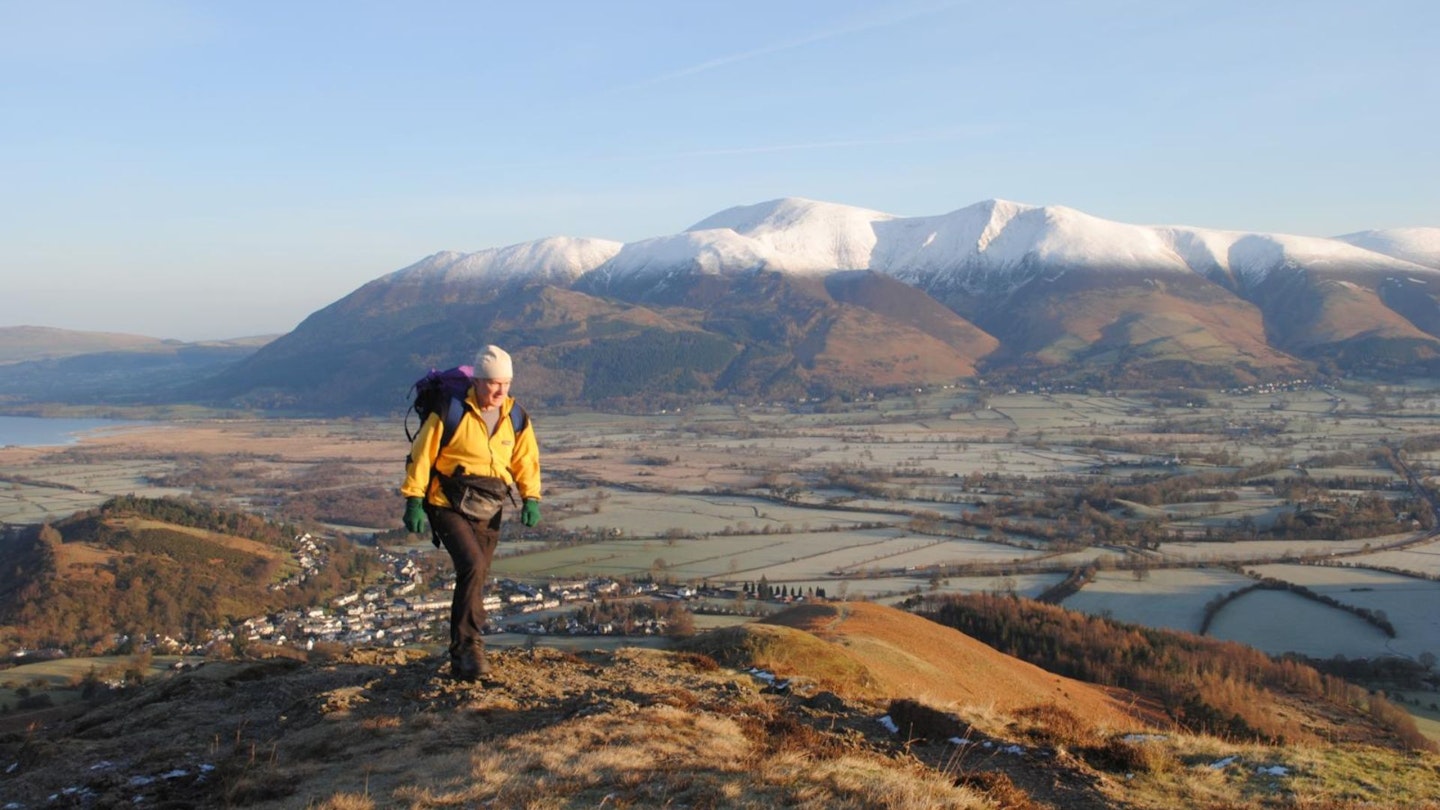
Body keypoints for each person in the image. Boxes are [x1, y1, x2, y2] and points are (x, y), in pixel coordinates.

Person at [400, 344, 541, 681]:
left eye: (506, 384)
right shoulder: (450, 412)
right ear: (477, 381)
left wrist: (530, 498)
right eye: (493, 383)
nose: (500, 390)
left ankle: (464, 649)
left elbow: (526, 459)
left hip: (488, 506)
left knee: (477, 577)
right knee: (473, 566)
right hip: (446, 503)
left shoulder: (516, 416)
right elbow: (421, 457)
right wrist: (414, 500)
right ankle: (467, 650)